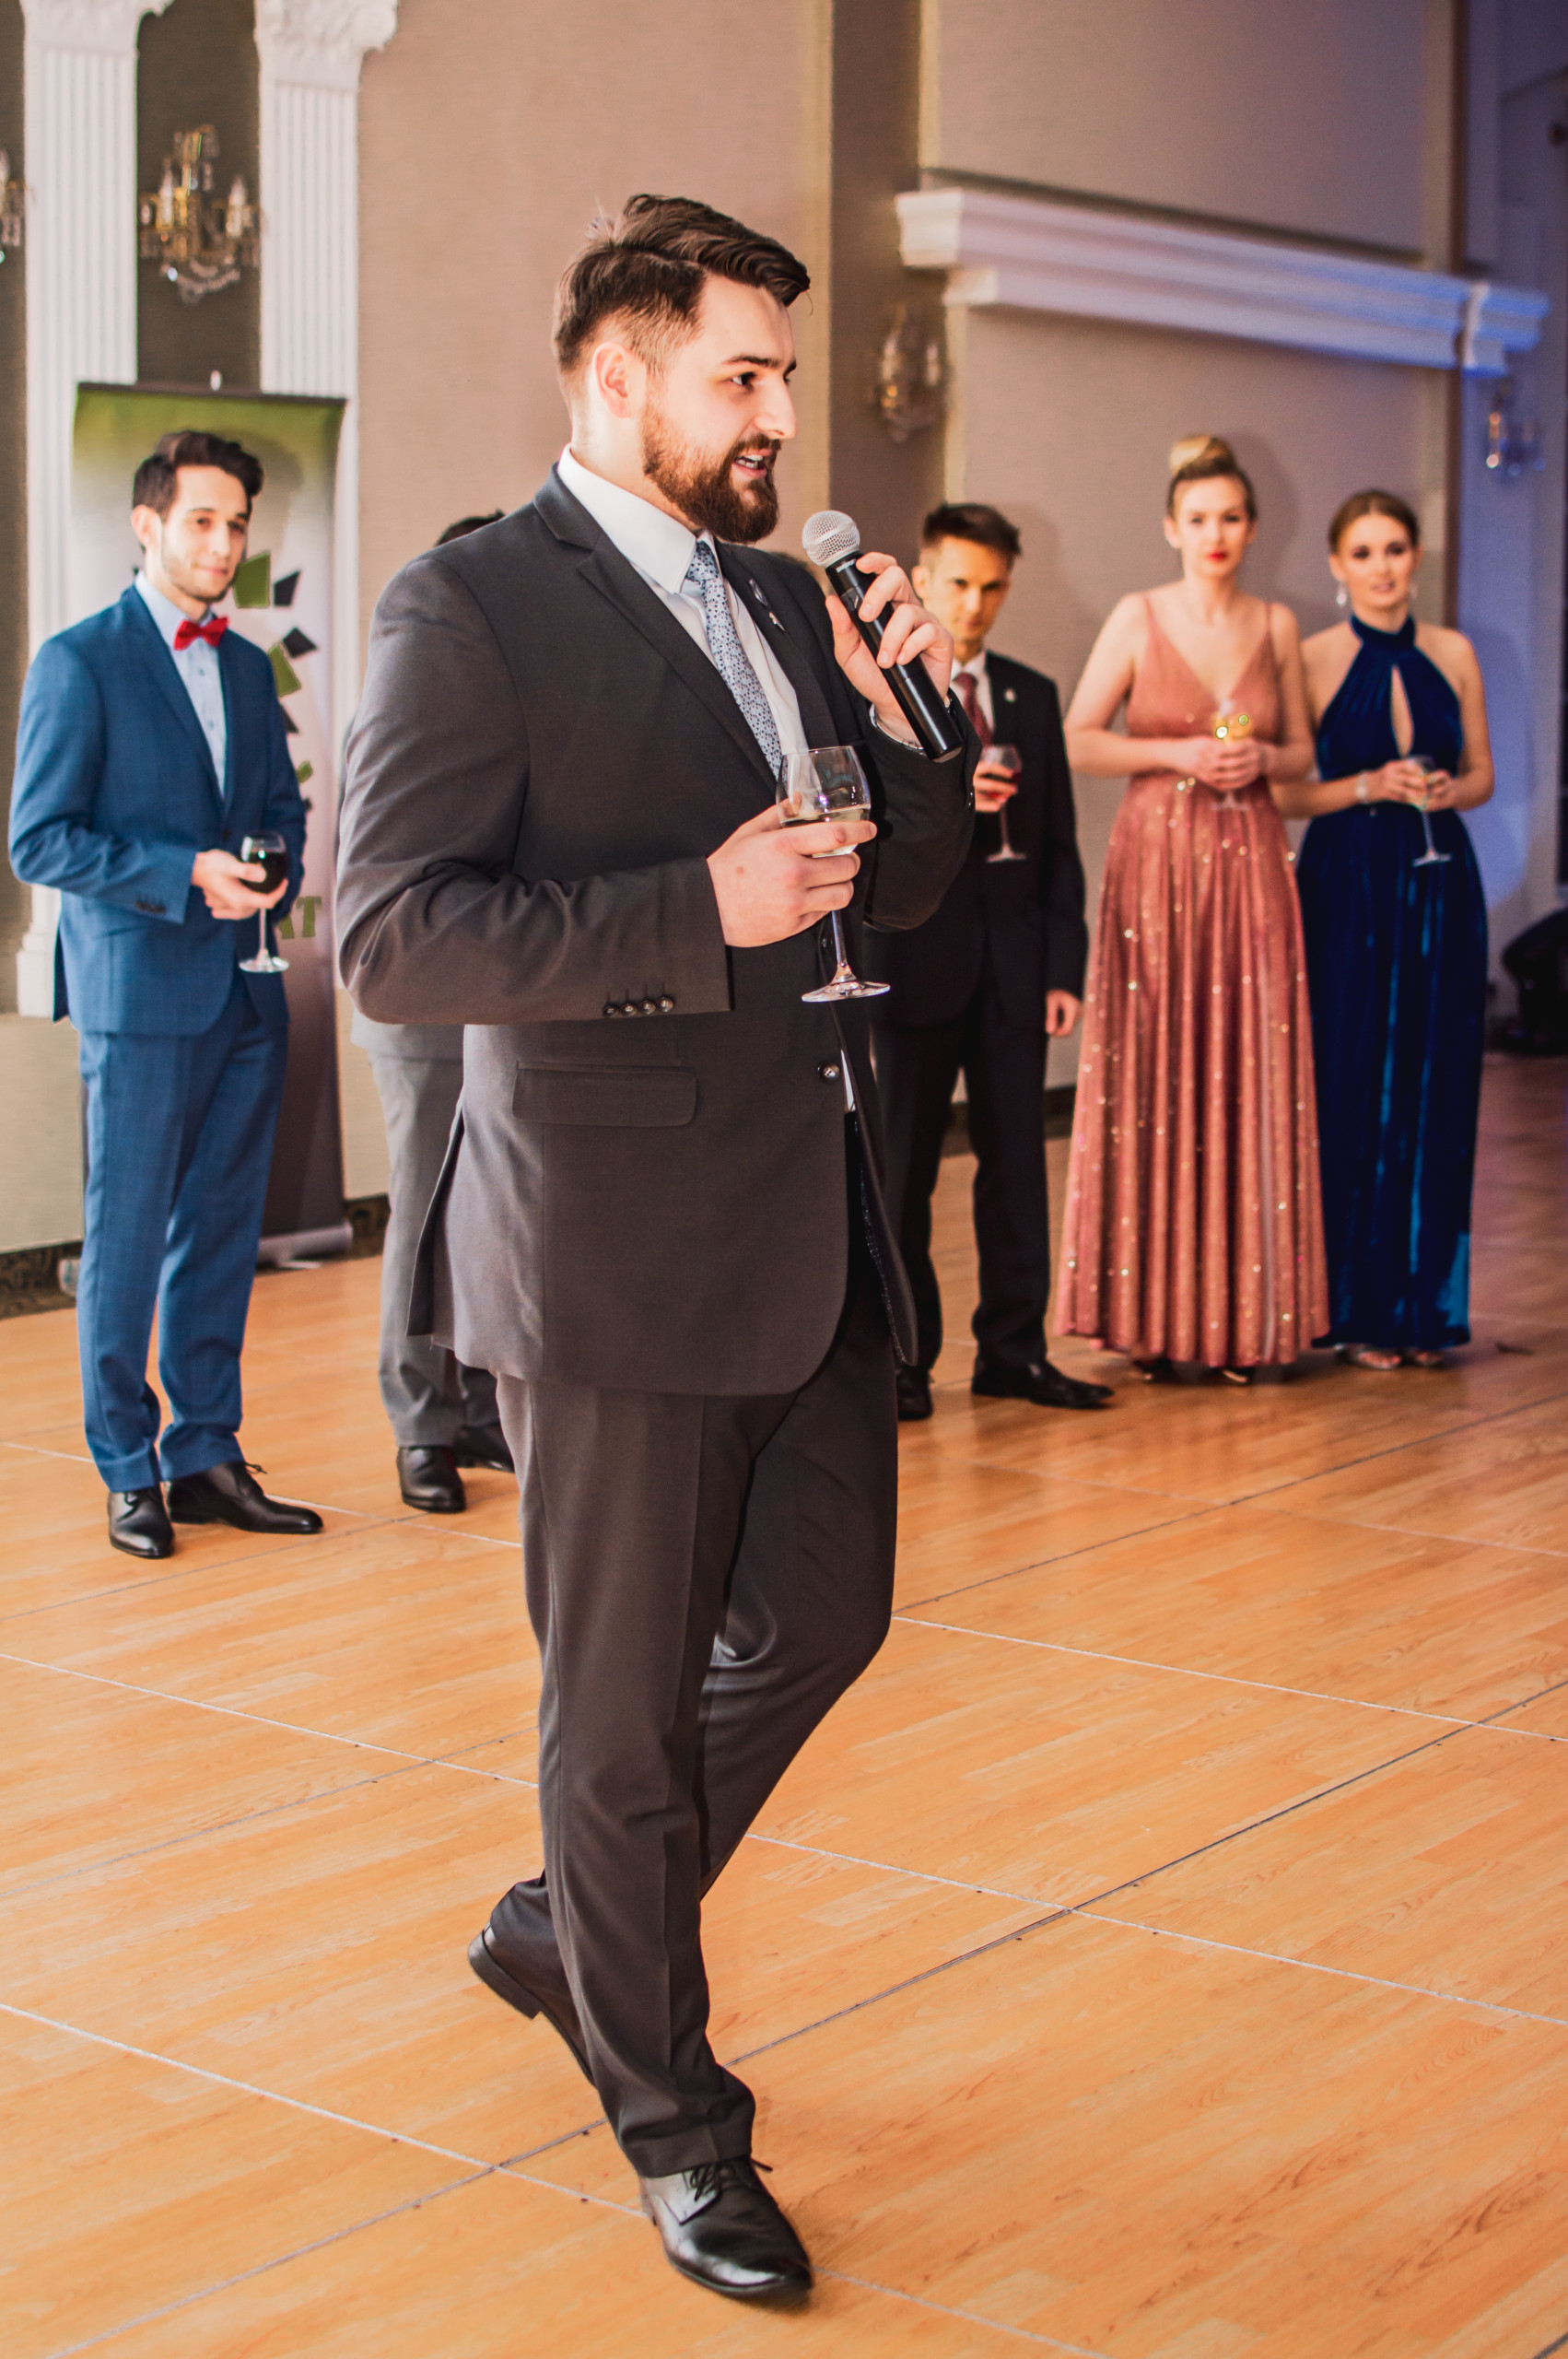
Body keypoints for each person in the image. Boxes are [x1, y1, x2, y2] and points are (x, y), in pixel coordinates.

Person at [335, 194, 973, 2303]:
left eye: (779, 372)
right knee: (610, 1721)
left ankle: (563, 1924)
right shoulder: (471, 604)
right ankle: (675, 2119)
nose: (778, 409)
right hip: (607, 1253)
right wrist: (695, 905)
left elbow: (909, 878)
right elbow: (393, 937)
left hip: (813, 1222)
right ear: (619, 375)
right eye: (743, 372)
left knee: (823, 1617)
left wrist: (906, 706)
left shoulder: (783, 596)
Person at [9, 428, 324, 1557]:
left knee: (223, 1234)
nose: (224, 543)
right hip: (139, 994)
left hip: (248, 993)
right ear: (147, 525)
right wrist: (185, 872)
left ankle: (204, 1452)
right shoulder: (79, 661)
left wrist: (274, 863)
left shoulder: (247, 665)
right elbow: (39, 838)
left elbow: (279, 807)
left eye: (238, 525)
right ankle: (125, 1465)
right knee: (128, 1237)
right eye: (202, 521)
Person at [1058, 436, 1327, 1380]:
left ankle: (1245, 1323)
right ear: (1171, 528)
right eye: (1199, 518)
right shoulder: (1138, 617)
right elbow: (1079, 739)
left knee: (1248, 1063)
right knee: (1158, 1064)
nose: (1216, 533)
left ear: (1253, 529)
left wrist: (1262, 760)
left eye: (1231, 518)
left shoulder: (1276, 624)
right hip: (1158, 864)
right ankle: (1155, 1322)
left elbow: (1302, 752)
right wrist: (1177, 755)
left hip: (1249, 859)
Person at [867, 501, 1108, 1420]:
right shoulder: (877, 688)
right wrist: (950, 796)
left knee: (1016, 1170)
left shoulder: (1031, 695)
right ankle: (904, 1361)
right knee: (903, 1174)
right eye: (960, 583)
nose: (975, 604)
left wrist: (1063, 967)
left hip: (1013, 968)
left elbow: (1057, 845)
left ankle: (1015, 1353)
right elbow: (862, 821)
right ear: (924, 577)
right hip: (911, 961)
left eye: (993, 587)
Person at [1281, 490, 1493, 1368]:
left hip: (1440, 883)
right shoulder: (1310, 657)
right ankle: (1355, 1308)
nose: (1382, 567)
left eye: (1395, 549)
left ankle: (1424, 1308)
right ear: (1338, 565)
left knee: (1437, 1084)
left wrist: (1447, 789)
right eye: (1364, 552)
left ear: (1416, 557)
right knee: (1350, 1079)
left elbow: (1481, 774)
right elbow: (1286, 793)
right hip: (1347, 883)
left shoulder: (1456, 652)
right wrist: (1369, 786)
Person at [352, 509, 513, 1513]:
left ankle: (486, 1408)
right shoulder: (408, 690)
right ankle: (421, 1425)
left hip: (510, 1001)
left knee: (501, 1215)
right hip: (420, 1010)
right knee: (422, 1218)